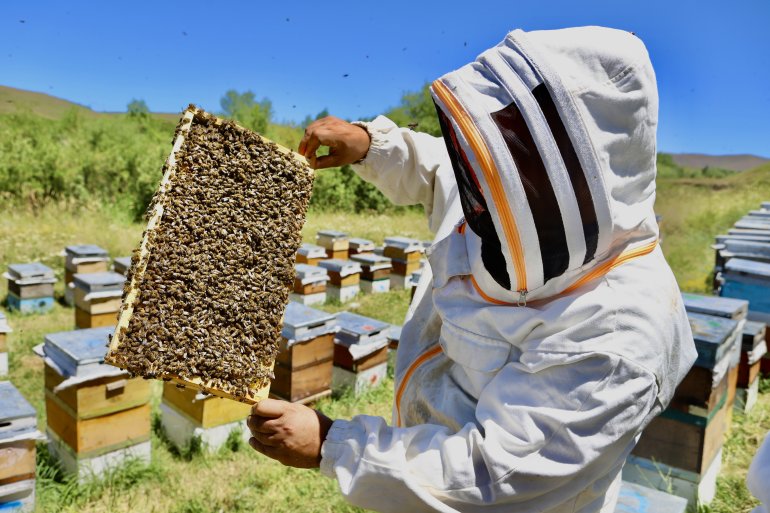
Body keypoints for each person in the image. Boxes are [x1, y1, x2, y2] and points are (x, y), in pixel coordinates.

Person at [247, 26, 697, 513]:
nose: (478, 191)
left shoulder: (618, 340)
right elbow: (446, 167)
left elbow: (493, 477)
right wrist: (373, 145)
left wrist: (334, 445)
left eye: (508, 161)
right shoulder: (514, 196)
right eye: (490, 156)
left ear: (577, 173)